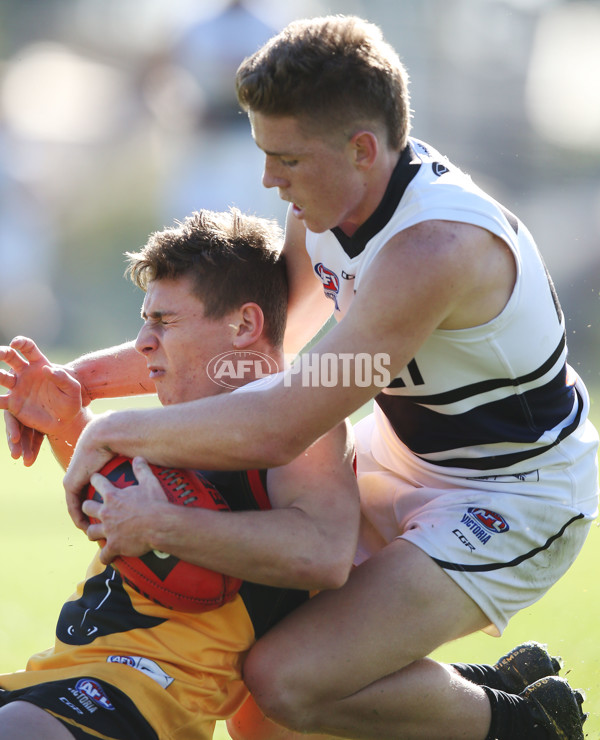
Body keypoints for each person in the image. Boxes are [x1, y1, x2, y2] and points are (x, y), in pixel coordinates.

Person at [5, 14, 598, 740]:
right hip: (399, 452)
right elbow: (253, 344)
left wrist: (117, 431)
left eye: (285, 158)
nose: (267, 179)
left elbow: (283, 419)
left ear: (361, 149)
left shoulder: (435, 250)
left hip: (507, 495)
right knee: (256, 649)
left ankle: (520, 723)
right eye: (263, 152)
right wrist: (80, 383)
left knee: (287, 679)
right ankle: (471, 690)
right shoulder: (328, 202)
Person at [0, 207, 359, 740]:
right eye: (145, 320)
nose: (144, 342)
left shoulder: (305, 428)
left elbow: (325, 554)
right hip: (60, 676)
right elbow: (125, 511)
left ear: (244, 325)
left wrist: (166, 526)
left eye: (164, 321)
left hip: (144, 697)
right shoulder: (176, 421)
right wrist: (65, 421)